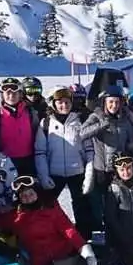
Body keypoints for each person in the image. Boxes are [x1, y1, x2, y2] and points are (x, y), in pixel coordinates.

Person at [0, 175, 101, 265]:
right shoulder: (15, 217)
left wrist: (85, 250)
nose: (28, 198)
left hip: (65, 253)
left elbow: (68, 230)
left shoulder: (51, 208)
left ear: (37, 193)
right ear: (19, 199)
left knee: (93, 257)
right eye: (24, 196)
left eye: (31, 193)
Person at [35, 86, 94, 238]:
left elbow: (89, 151)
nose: (64, 106)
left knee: (81, 207)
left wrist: (88, 176)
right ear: (54, 104)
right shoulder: (46, 123)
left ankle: (83, 238)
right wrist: (44, 176)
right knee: (48, 205)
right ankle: (50, 234)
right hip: (55, 172)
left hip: (77, 171)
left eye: (67, 102)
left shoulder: (80, 120)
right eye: (60, 102)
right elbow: (40, 152)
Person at [81, 85, 133, 210]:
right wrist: (101, 125)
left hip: (120, 168)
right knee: (101, 202)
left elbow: (129, 139)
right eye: (111, 102)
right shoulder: (96, 116)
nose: (114, 105)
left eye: (117, 102)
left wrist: (130, 146)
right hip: (102, 169)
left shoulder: (124, 120)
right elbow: (81, 134)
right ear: (104, 102)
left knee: (118, 200)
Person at [0, 77, 40, 178]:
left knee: (30, 190)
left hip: (29, 160)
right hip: (7, 161)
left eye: (15, 93)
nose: (11, 96)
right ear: (2, 95)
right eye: (7, 93)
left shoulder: (30, 112)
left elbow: (37, 134)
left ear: (20, 94)